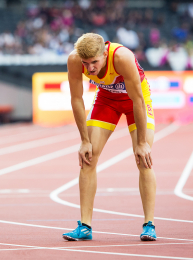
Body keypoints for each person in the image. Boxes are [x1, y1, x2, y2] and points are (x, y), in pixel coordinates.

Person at [63, 33, 156, 241]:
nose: (90, 69)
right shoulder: (74, 59)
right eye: (86, 63)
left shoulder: (122, 57)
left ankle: (149, 224)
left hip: (136, 102)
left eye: (95, 62)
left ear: (105, 53)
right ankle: (85, 226)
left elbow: (138, 99)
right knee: (88, 159)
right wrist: (84, 140)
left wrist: (141, 143)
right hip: (106, 101)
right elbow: (76, 99)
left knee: (144, 159)